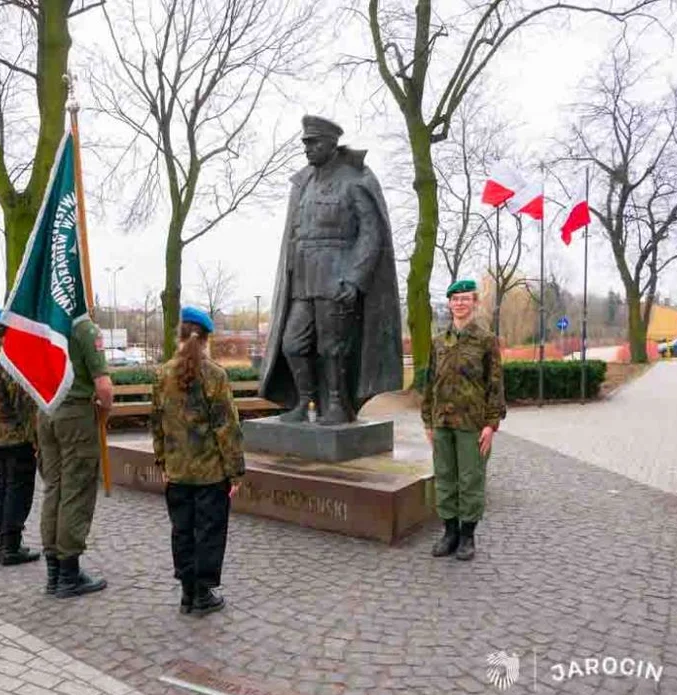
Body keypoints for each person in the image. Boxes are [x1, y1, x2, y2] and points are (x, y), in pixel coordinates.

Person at [259, 115, 403, 425]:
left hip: (336, 276)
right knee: (292, 344)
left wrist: (355, 278)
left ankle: (338, 405)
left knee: (332, 347)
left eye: (313, 143)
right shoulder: (304, 182)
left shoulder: (355, 179)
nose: (307, 149)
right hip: (303, 279)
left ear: (331, 144)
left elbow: (371, 233)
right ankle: (304, 401)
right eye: (305, 143)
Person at [151, 306, 245, 615]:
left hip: (177, 471)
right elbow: (226, 427)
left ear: (178, 334)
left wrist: (162, 462)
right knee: (208, 531)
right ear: (206, 338)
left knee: (182, 530)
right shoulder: (215, 375)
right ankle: (202, 595)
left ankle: (187, 593)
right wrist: (235, 473)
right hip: (209, 473)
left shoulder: (163, 374)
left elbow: (157, 423)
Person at [421, 279, 506, 561]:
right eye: (455, 298)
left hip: (472, 423)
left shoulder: (485, 340)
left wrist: (490, 425)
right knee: (445, 479)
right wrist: (428, 422)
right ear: (449, 303)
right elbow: (430, 382)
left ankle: (468, 536)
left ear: (475, 302)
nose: (459, 303)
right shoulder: (438, 341)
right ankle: (450, 533)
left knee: (470, 480)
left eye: (465, 298)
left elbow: (495, 385)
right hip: (442, 422)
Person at [37, 316, 114, 598]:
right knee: (75, 492)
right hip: (75, 416)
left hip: (46, 411)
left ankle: (53, 573)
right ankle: (68, 574)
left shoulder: (46, 322)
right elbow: (104, 387)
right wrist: (105, 411)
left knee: (54, 491)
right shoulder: (83, 327)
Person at [0, 311, 41, 566]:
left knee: (3, 485)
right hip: (15, 438)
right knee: (19, 489)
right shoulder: (7, 362)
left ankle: (3, 542)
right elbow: (22, 405)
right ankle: (11, 546)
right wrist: (35, 437)